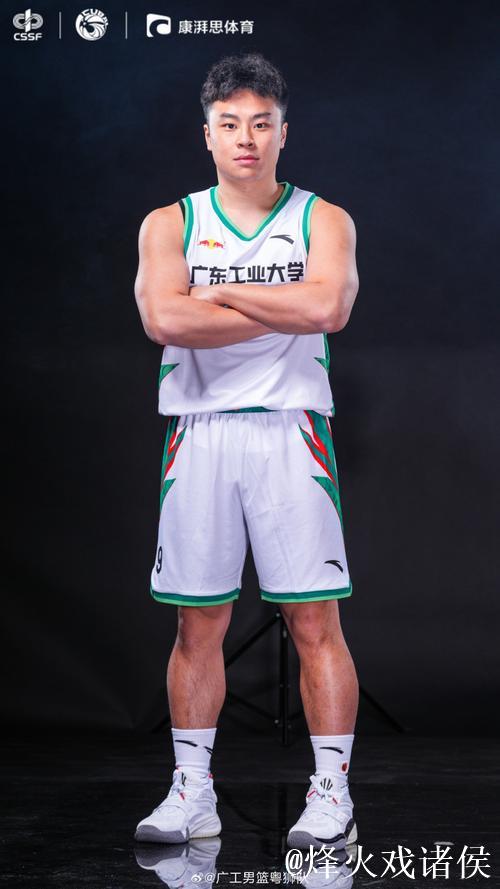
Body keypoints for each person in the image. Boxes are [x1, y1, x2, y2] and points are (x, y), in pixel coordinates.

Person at [133, 51, 360, 851]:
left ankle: (332, 793)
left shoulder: (323, 219)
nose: (246, 138)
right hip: (199, 432)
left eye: (262, 123)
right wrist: (278, 305)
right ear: (208, 133)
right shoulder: (170, 223)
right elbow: (165, 320)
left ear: (282, 132)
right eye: (230, 123)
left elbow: (327, 307)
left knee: (314, 620)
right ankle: (193, 792)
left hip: (290, 429)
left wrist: (220, 291)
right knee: (197, 625)